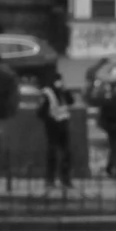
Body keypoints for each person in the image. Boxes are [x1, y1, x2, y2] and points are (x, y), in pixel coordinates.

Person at [34, 59, 73, 192]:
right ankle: (50, 179)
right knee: (52, 153)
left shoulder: (62, 91)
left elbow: (70, 101)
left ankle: (65, 179)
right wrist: (50, 119)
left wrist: (65, 90)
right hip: (52, 126)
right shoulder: (47, 93)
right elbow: (40, 112)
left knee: (66, 153)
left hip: (63, 124)